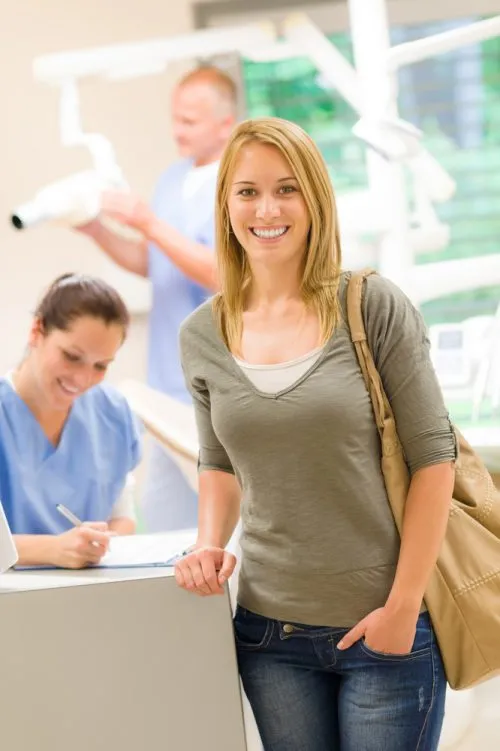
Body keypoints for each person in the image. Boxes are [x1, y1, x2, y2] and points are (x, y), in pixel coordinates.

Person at [175, 117, 457, 750]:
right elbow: (218, 462)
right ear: (226, 205)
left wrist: (404, 607)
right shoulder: (200, 334)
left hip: (383, 626)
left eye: (286, 188)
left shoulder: (371, 305)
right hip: (270, 637)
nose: (266, 208)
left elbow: (434, 461)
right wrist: (207, 542)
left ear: (316, 199)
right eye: (246, 191)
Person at [76, 65, 237, 533]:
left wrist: (147, 222)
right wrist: (95, 230)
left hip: (218, 385)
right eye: (175, 119)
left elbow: (223, 273)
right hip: (167, 383)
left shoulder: (236, 183)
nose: (176, 131)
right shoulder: (172, 179)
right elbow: (155, 263)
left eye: (189, 121)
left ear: (224, 124)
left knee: (225, 526)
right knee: (164, 518)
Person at [0, 274, 141, 569]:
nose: (82, 378)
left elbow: (122, 515)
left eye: (100, 365)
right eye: (72, 356)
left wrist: (101, 543)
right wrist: (51, 550)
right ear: (37, 331)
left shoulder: (112, 414)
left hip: (89, 596)